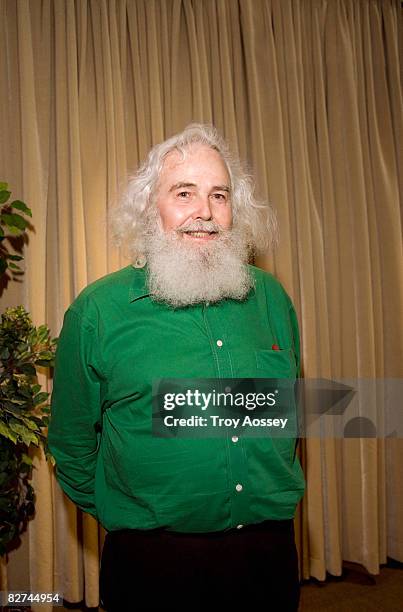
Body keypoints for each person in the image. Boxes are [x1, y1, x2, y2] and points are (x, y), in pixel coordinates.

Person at [48, 124, 305, 611]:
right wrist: (133, 516)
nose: (204, 212)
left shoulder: (271, 298)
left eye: (219, 195)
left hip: (267, 556)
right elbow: (72, 444)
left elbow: (288, 420)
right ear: (150, 210)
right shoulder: (99, 311)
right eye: (183, 193)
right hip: (154, 565)